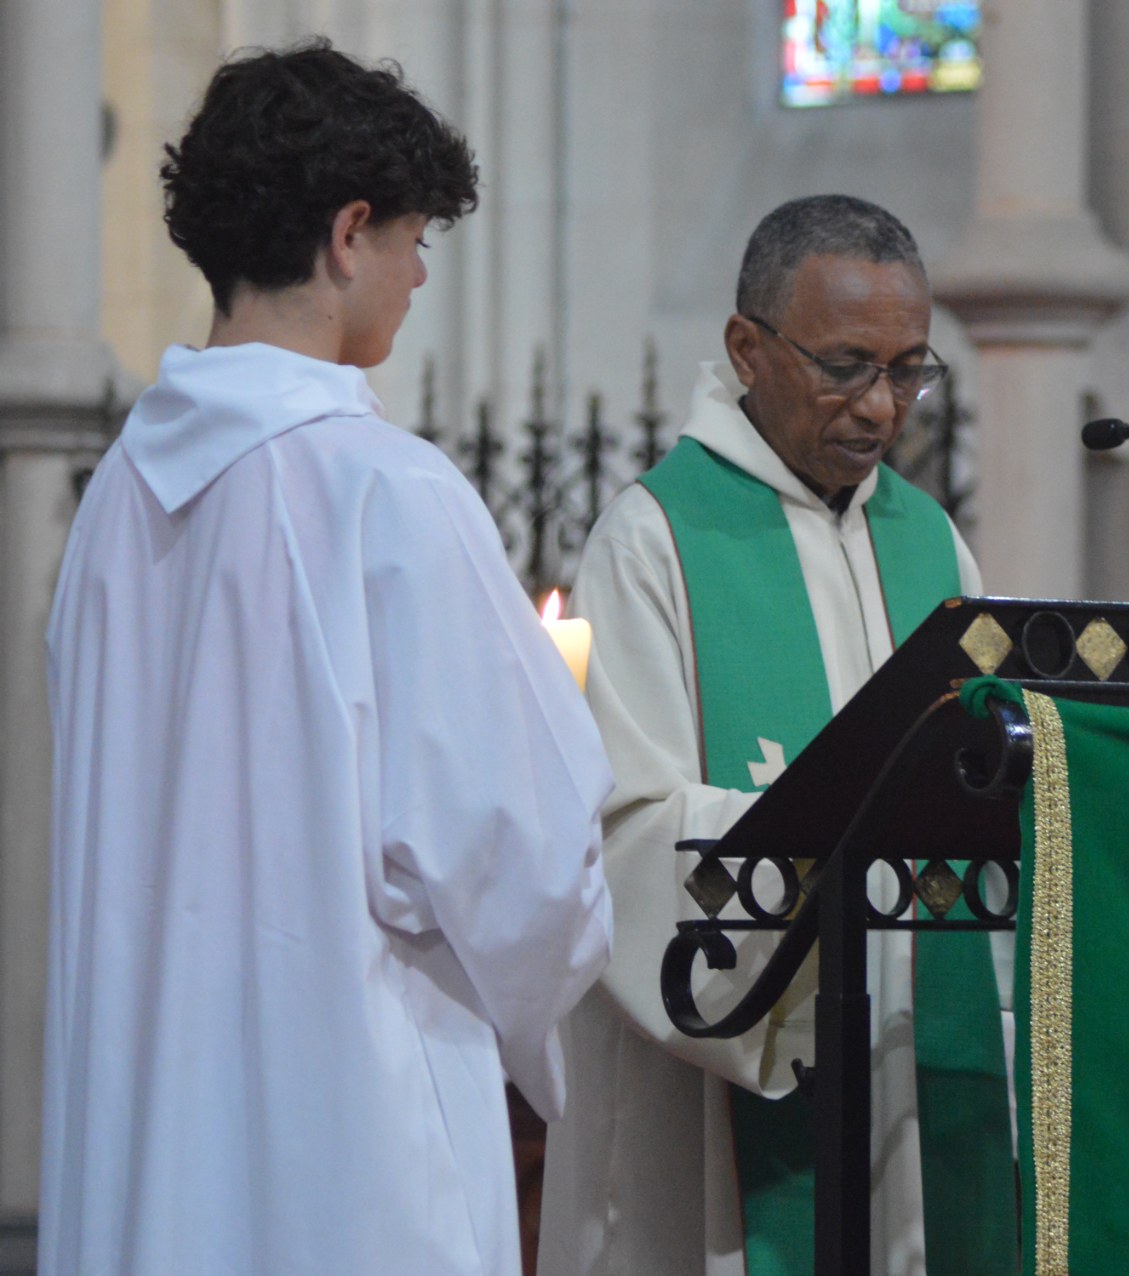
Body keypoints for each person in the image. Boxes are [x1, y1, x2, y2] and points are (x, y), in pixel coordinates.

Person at [39, 42, 613, 1276]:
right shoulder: (382, 490)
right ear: (348, 233)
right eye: (413, 241)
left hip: (147, 1151)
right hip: (348, 1161)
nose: (414, 277)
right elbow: (523, 864)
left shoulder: (111, 502)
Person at [537, 195, 1005, 1276]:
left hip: (903, 1057)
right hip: (731, 1079)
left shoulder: (931, 543)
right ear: (747, 348)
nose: (882, 407)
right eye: (846, 366)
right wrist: (827, 839)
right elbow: (623, 826)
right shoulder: (656, 537)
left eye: (909, 370)